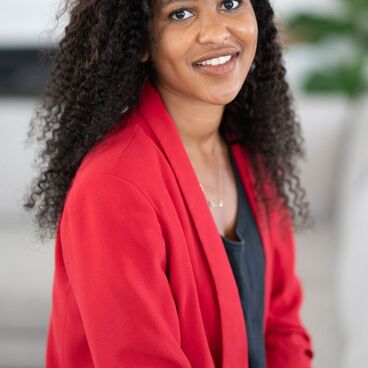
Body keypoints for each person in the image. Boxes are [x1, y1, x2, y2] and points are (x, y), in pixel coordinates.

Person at [24, 0, 314, 366]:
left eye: (229, 3)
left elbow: (282, 325)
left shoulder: (253, 153)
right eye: (181, 13)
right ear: (142, 41)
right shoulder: (112, 187)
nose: (216, 32)